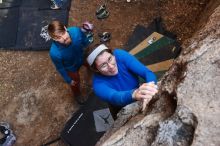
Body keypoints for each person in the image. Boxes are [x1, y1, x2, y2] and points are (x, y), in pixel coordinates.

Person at [86, 44, 158, 119]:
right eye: (103, 65)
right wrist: (134, 93)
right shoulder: (98, 85)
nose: (111, 66)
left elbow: (146, 72)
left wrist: (150, 87)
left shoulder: (120, 56)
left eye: (110, 59)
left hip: (139, 94)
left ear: (113, 54)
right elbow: (115, 97)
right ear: (96, 70)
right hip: (120, 108)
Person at [48, 20, 90, 104]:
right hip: (71, 68)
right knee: (75, 83)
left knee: (91, 64)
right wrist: (68, 80)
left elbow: (84, 39)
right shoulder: (54, 53)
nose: (64, 38)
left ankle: (93, 71)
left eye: (63, 33)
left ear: (65, 28)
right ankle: (77, 94)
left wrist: (88, 46)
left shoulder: (76, 31)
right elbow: (60, 68)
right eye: (58, 37)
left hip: (83, 56)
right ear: (53, 38)